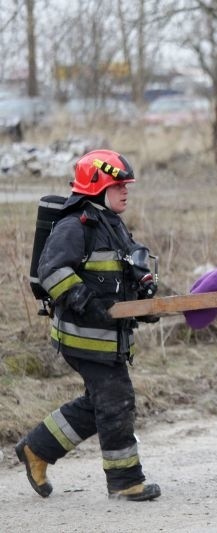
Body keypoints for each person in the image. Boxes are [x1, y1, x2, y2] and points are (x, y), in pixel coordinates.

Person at [15, 149, 162, 502]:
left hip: (109, 336)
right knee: (116, 400)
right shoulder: (74, 225)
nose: (126, 190)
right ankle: (126, 481)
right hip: (84, 336)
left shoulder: (111, 223)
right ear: (97, 186)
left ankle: (36, 449)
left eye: (127, 184)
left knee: (101, 402)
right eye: (119, 184)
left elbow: (125, 267)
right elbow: (53, 272)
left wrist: (143, 291)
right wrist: (87, 303)